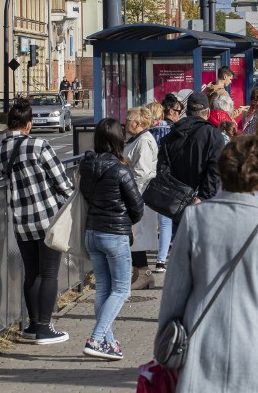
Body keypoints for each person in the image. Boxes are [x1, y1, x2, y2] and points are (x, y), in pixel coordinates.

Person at [154, 134, 258, 392]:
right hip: (255, 342)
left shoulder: (196, 218)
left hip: (201, 340)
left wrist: (165, 341)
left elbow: (175, 291)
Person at [0, 97, 73, 344]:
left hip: (21, 219)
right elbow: (62, 182)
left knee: (32, 273)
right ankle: (44, 328)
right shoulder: (39, 145)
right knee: (49, 273)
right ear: (28, 125)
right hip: (47, 217)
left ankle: (31, 325)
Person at [79, 118, 144, 360]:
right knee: (121, 290)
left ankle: (108, 343)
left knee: (103, 290)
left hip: (92, 233)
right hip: (114, 235)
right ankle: (96, 339)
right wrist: (127, 219)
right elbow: (137, 207)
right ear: (119, 140)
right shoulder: (120, 169)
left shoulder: (86, 166)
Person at [157, 92, 225, 215]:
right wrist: (203, 197)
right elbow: (215, 172)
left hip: (177, 203)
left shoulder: (171, 135)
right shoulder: (213, 135)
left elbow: (163, 169)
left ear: (187, 112)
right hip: (203, 204)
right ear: (208, 113)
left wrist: (176, 194)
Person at [124, 107, 158, 290]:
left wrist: (131, 195)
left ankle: (144, 273)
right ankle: (140, 273)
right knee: (136, 236)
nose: (126, 121)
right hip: (137, 195)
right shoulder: (137, 139)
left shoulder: (144, 140)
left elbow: (142, 173)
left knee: (136, 236)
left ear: (138, 123)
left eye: (128, 118)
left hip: (139, 195)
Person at [149, 100, 176, 273]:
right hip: (166, 179)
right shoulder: (170, 130)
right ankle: (160, 260)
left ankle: (139, 258)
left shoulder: (146, 133)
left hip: (148, 178)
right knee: (165, 221)